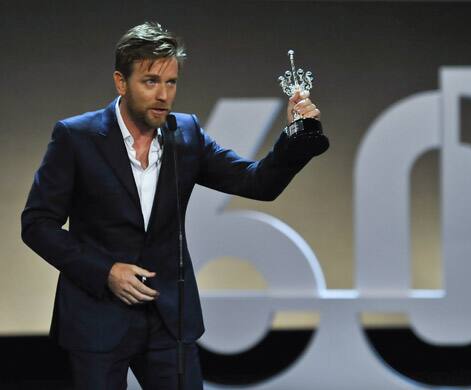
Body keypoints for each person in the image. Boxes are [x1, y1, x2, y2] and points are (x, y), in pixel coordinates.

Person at [21, 21, 324, 390]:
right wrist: (105, 272)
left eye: (171, 82)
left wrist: (296, 136)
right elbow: (38, 224)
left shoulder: (186, 134)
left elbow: (258, 182)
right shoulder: (77, 137)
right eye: (150, 82)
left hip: (167, 322)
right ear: (121, 82)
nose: (164, 95)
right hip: (96, 318)